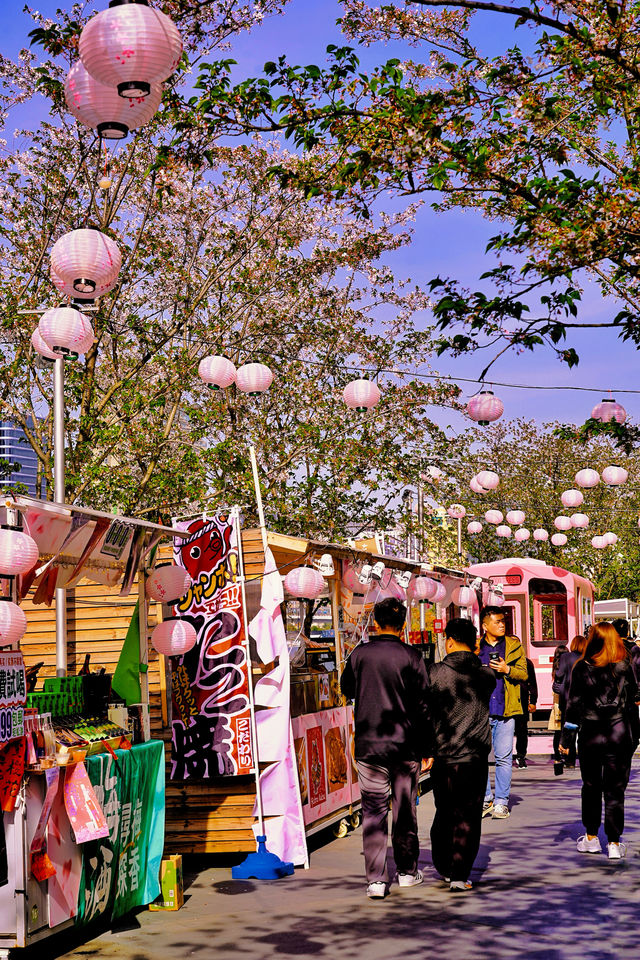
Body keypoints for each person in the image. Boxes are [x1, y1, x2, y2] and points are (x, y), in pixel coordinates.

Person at [340, 596, 429, 899]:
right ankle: (406, 871)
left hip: (369, 744)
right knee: (405, 810)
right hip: (406, 745)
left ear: (375, 623)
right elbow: (423, 704)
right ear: (403, 625)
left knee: (373, 811)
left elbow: (346, 689)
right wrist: (428, 748)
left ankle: (376, 880)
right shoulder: (413, 656)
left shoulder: (360, 655)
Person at [427, 617, 495, 892]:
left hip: (443, 756)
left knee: (444, 812)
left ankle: (444, 866)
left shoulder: (433, 673)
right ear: (475, 643)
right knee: (468, 816)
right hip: (474, 758)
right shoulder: (486, 675)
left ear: (449, 641)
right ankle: (459, 874)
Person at [560, 622, 639, 859]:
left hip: (591, 735)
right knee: (616, 790)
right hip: (619, 734)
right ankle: (614, 843)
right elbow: (635, 696)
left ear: (593, 640)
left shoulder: (581, 668)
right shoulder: (624, 667)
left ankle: (592, 838)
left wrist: (566, 738)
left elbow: (572, 707)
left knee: (591, 786)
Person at [477, 606, 527, 818]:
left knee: (504, 758)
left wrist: (507, 669)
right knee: (479, 757)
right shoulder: (476, 647)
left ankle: (501, 802)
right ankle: (486, 799)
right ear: (485, 625)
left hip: (506, 709)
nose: (501, 625)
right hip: (481, 709)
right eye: (496, 622)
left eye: (503, 621)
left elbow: (524, 674)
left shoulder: (514, 645)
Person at [553, 635, 587, 766]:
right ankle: (583, 758)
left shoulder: (565, 657)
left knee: (568, 727)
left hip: (567, 698)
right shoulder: (587, 657)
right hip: (584, 699)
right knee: (583, 729)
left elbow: (559, 674)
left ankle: (570, 759)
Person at [514, 657, 538, 768]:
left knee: (521, 729)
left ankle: (521, 756)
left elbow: (532, 682)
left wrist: (533, 700)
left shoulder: (526, 662)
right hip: (505, 700)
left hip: (521, 700)